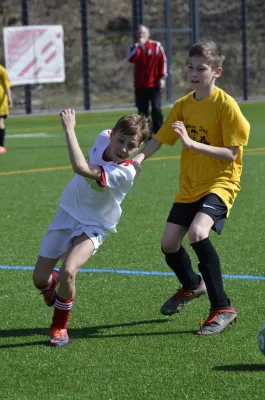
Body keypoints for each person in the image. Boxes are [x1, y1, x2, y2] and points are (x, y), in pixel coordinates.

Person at [133, 40, 250, 336]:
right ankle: (191, 285)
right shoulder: (183, 106)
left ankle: (222, 307)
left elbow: (231, 154)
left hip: (221, 182)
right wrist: (138, 158)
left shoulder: (226, 106)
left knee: (198, 232)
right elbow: (158, 138)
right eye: (191, 67)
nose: (194, 73)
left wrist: (192, 144)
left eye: (202, 68)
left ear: (216, 72)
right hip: (190, 185)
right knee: (169, 244)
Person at [33, 110, 150, 346]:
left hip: (95, 224)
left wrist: (69, 128)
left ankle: (59, 327)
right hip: (67, 213)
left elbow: (81, 168)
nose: (123, 148)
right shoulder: (102, 137)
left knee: (69, 270)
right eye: (120, 140)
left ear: (138, 148)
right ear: (112, 133)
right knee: (39, 279)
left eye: (131, 145)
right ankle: (51, 285)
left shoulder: (124, 173)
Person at [127, 25, 167, 138]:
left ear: (148, 34)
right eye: (139, 33)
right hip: (140, 85)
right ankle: (146, 134)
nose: (141, 35)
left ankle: (160, 132)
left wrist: (162, 77)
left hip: (154, 84)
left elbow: (163, 61)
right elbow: (131, 59)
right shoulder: (134, 47)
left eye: (143, 33)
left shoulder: (156, 46)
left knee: (156, 108)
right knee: (142, 111)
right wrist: (138, 47)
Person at [0, 64, 13, 154]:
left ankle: (1, 146)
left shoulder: (2, 70)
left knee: (0, 123)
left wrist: (9, 98)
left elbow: (7, 85)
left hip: (1, 103)